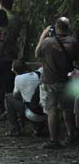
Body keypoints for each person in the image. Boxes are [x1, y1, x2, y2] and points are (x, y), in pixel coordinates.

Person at [35, 17, 79, 149]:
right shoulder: (73, 41)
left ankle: (54, 140)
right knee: (68, 109)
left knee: (52, 111)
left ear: (56, 27)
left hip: (50, 81)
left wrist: (43, 34)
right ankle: (72, 135)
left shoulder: (47, 42)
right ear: (68, 27)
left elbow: (37, 53)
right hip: (67, 80)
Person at [5, 60, 46, 137]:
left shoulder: (18, 78)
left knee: (8, 97)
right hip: (45, 111)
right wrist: (28, 64)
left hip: (31, 113)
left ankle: (15, 130)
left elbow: (15, 95)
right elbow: (44, 65)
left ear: (14, 70)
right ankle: (38, 127)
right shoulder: (39, 73)